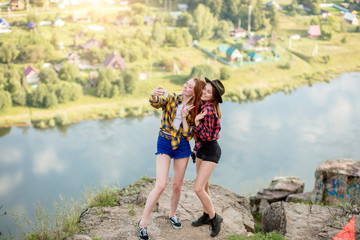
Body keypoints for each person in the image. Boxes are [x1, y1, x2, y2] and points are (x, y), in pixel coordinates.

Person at [137, 78, 205, 240]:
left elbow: (189, 135)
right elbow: (157, 103)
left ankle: (172, 215)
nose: (185, 86)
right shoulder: (173, 97)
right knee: (160, 185)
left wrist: (184, 117)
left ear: (194, 92)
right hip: (165, 142)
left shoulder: (196, 109)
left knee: (176, 186)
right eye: (186, 83)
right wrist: (153, 95)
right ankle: (143, 223)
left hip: (182, 145)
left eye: (189, 86)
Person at [191, 78, 225, 238]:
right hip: (201, 150)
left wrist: (196, 122)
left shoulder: (209, 111)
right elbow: (200, 138)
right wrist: (195, 149)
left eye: (208, 91)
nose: (204, 92)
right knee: (204, 187)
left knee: (198, 188)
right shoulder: (203, 106)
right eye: (204, 89)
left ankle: (214, 218)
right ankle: (206, 214)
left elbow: (208, 136)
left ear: (213, 97)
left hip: (211, 151)